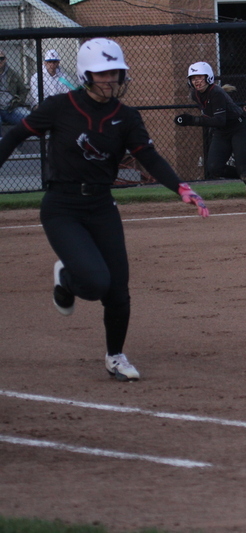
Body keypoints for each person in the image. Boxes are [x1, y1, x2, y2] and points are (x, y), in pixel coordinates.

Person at [0, 38, 209, 381]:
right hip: (62, 207)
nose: (111, 79)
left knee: (118, 290)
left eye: (115, 72)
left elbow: (149, 157)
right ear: (86, 74)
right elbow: (13, 137)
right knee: (95, 283)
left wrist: (182, 188)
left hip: (101, 206)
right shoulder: (60, 106)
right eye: (102, 73)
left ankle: (115, 356)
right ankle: (67, 278)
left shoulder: (125, 117)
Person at [176, 61, 246, 214]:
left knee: (243, 170)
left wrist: (192, 120)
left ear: (208, 77)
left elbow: (219, 120)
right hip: (222, 132)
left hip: (240, 128)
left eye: (200, 77)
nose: (196, 81)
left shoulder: (216, 93)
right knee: (214, 168)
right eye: (193, 78)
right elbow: (213, 118)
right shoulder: (195, 94)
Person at [0, 49, 30, 125]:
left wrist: (18, 101)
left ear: (5, 59)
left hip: (11, 108)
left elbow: (23, 91)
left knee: (30, 117)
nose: (0, 61)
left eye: (1, 58)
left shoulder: (13, 74)